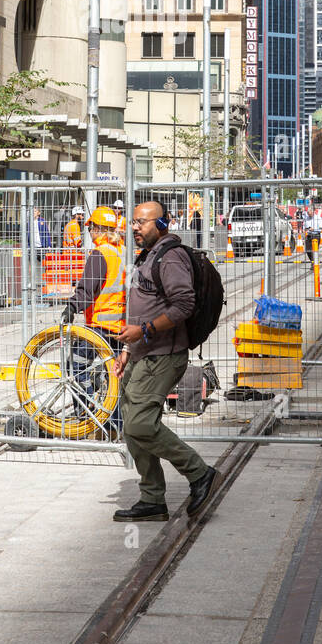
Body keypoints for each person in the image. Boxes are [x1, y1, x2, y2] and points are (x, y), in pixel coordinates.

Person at [112, 200, 219, 522]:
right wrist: (128, 349)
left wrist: (143, 330)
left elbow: (183, 305)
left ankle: (199, 472)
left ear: (162, 224)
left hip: (163, 355)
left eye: (142, 222)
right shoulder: (148, 255)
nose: (135, 227)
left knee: (139, 424)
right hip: (141, 353)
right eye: (133, 222)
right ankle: (152, 499)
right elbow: (143, 305)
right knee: (132, 429)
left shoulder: (171, 257)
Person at [60, 207, 126, 438]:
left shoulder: (100, 255)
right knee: (115, 375)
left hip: (100, 327)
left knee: (76, 367)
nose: (88, 231)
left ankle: (88, 416)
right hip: (120, 327)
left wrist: (71, 307)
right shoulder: (122, 252)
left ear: (97, 229)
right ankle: (116, 425)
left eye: (90, 228)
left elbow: (87, 290)